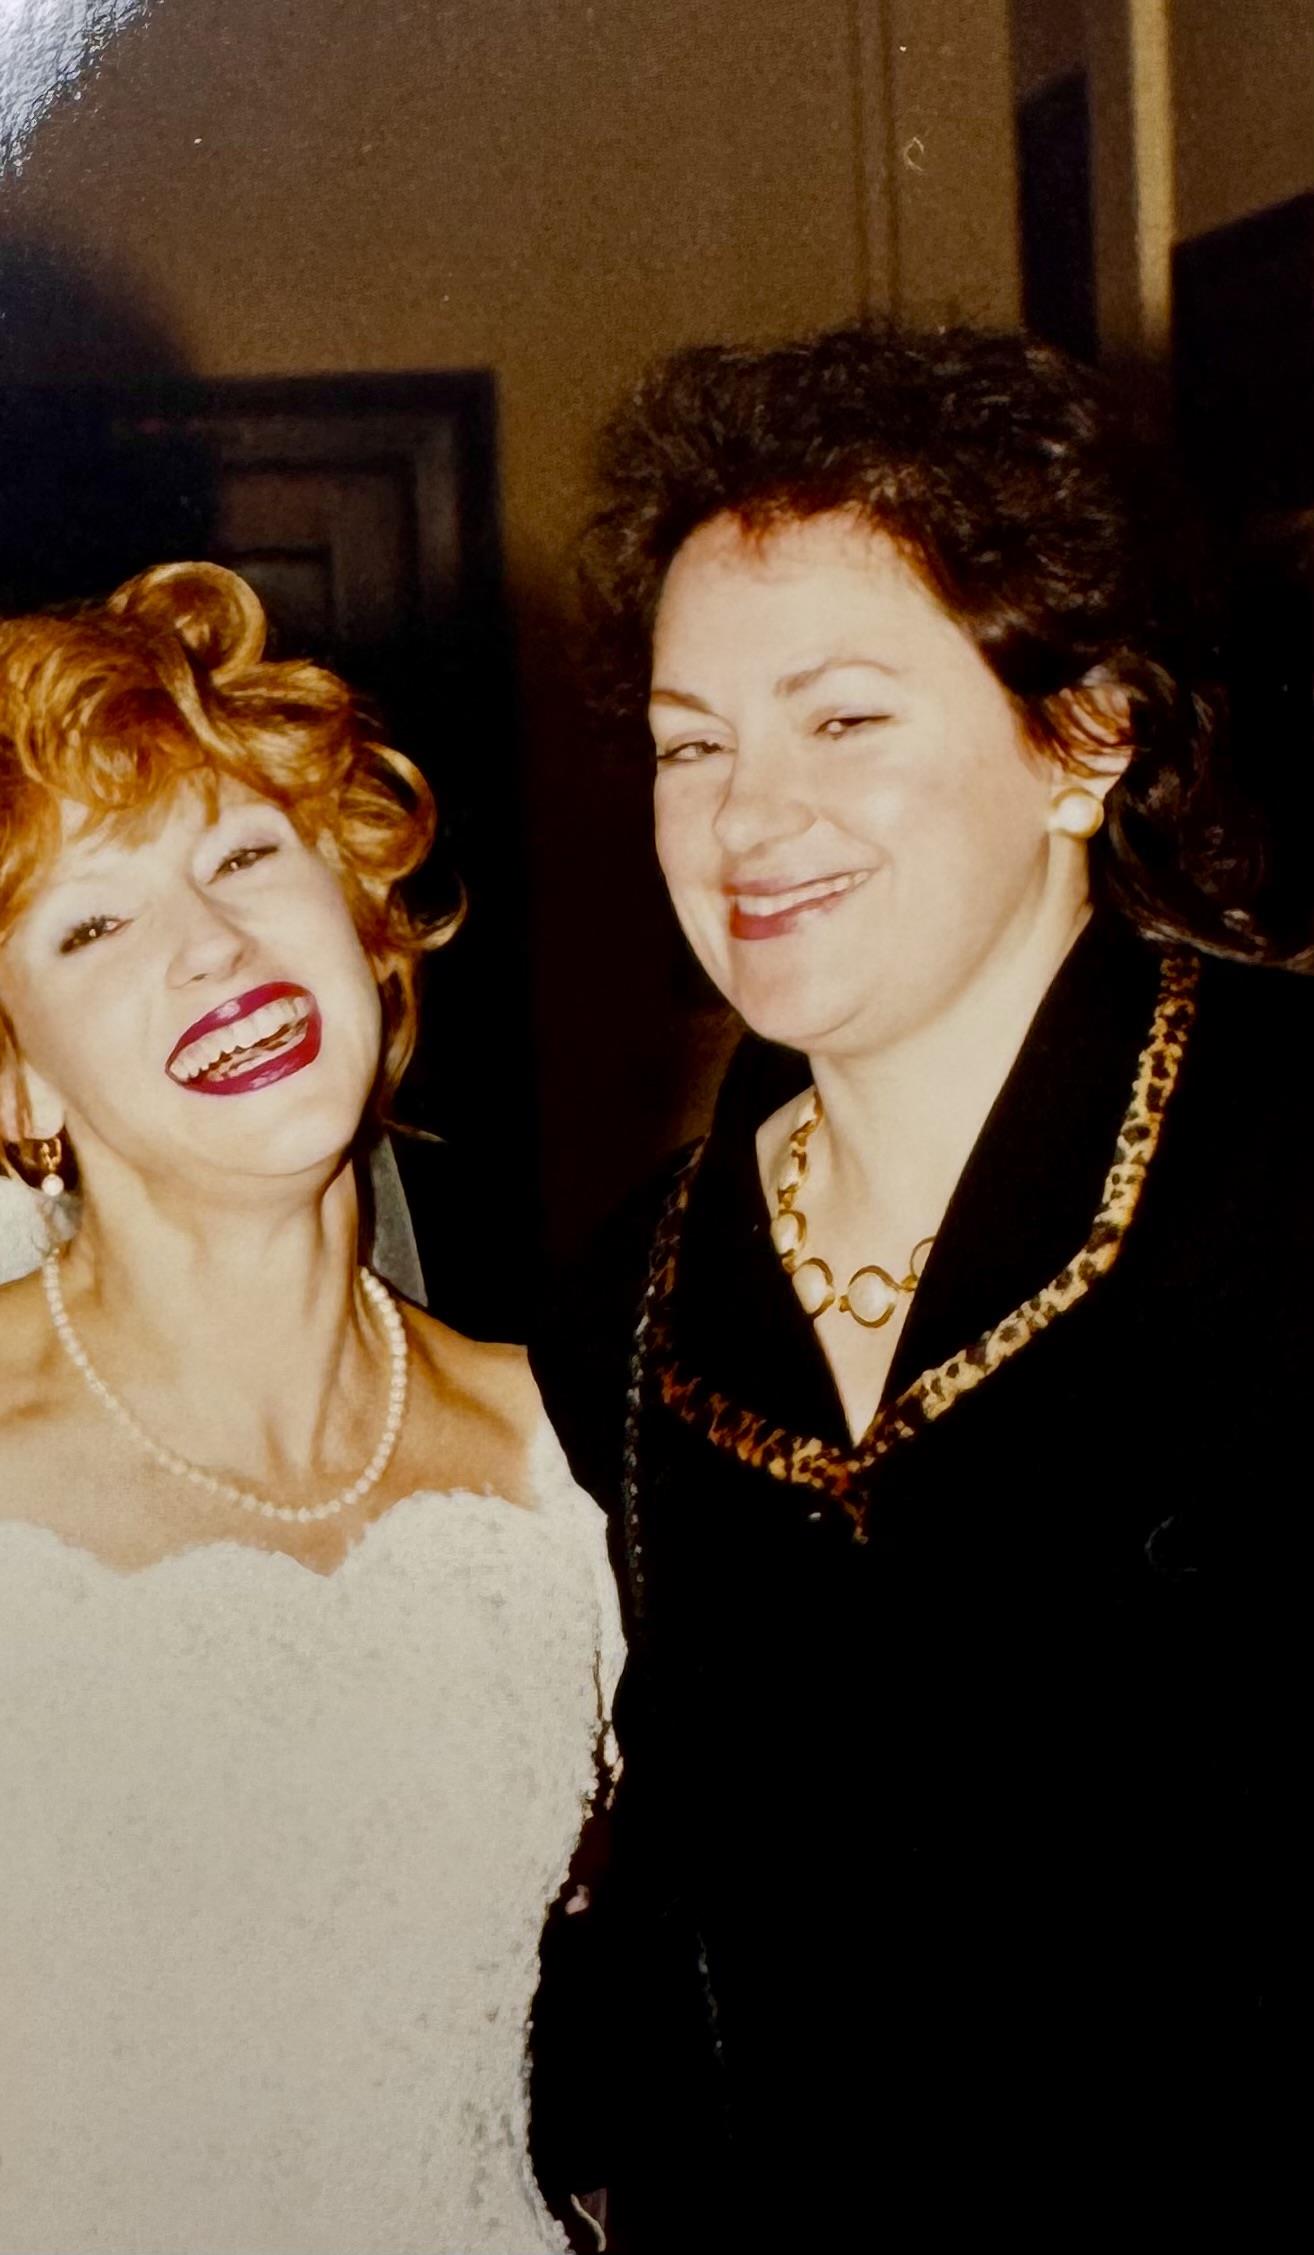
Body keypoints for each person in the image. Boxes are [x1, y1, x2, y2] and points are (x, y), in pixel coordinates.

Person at [530, 325, 1308, 2249]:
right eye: (687, 741)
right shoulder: (625, 1306)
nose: (742, 815)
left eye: (842, 718)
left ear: (1085, 736)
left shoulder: (1292, 1172)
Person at [0, 560, 621, 2255]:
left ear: (363, 921)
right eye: (94, 923)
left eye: (245, 857)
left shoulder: (574, 1453)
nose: (210, 948)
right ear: (18, 1075)